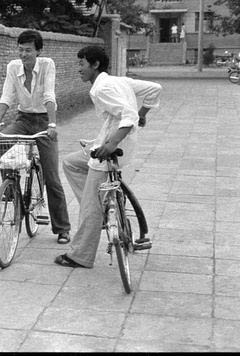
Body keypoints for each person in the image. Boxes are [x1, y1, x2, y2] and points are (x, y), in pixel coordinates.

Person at [55, 46, 162, 269]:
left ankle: (80, 256)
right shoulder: (118, 81)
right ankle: (103, 204)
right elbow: (155, 89)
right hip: (118, 144)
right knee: (72, 163)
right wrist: (143, 114)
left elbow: (128, 116)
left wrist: (112, 142)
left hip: (113, 149)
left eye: (82, 64)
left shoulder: (101, 88)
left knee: (89, 206)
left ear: (95, 65)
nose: (79, 69)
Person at [0, 29, 72, 244]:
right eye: (20, 50)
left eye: (28, 50)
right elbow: (6, 96)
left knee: (52, 177)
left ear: (38, 51)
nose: (23, 54)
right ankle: (11, 187)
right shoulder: (13, 67)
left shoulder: (47, 65)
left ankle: (62, 228)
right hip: (23, 119)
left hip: (44, 121)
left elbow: (49, 94)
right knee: (0, 140)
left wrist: (52, 124)